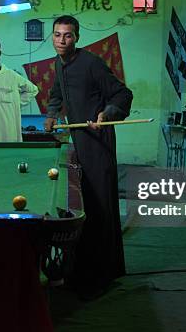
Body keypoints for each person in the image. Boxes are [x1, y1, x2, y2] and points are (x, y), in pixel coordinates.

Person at [44, 15, 133, 299]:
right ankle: (82, 268)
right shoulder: (58, 63)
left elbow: (122, 95)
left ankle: (101, 275)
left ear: (77, 37)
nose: (61, 40)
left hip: (97, 141)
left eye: (67, 35)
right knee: (82, 204)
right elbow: (57, 93)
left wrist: (107, 114)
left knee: (99, 205)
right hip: (77, 142)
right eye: (57, 35)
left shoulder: (92, 63)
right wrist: (52, 114)